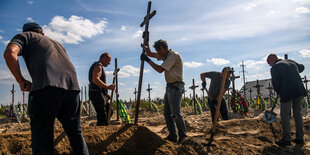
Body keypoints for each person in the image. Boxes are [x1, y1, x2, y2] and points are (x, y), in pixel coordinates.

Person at [3, 22, 88, 154]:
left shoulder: (26, 36)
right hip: (72, 89)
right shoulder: (57, 43)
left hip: (46, 88)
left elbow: (9, 54)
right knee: (75, 132)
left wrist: (20, 80)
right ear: (43, 34)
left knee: (42, 137)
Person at [141, 39, 187, 143]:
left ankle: (183, 137)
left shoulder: (173, 56)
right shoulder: (165, 55)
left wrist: (147, 60)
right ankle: (172, 136)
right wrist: (146, 40)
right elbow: (149, 53)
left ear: (162, 48)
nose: (157, 54)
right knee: (167, 113)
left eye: (158, 51)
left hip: (176, 86)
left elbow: (160, 70)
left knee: (175, 113)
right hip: (170, 87)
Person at [267, 54, 306, 147]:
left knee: (284, 115)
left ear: (273, 59)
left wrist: (279, 93)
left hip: (287, 92)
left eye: (269, 63)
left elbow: (276, 84)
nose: (269, 65)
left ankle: (287, 139)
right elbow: (301, 68)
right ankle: (300, 138)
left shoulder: (274, 68)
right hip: (299, 90)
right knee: (297, 113)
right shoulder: (290, 61)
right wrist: (292, 65)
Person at [88, 52, 115, 126]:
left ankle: (105, 126)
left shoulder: (99, 66)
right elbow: (95, 79)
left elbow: (97, 83)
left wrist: (106, 94)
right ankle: (102, 127)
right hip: (96, 94)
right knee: (102, 116)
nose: (109, 63)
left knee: (110, 110)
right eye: (109, 60)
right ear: (103, 58)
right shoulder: (98, 66)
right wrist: (107, 87)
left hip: (99, 93)